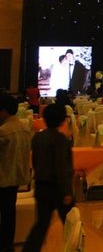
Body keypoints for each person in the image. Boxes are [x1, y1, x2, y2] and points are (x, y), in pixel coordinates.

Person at [23, 103, 74, 252]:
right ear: (62, 120)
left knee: (41, 225)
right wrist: (67, 191)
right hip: (57, 188)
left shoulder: (37, 138)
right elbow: (61, 167)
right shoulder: (61, 140)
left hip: (41, 186)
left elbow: (35, 162)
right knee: (71, 223)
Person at [0, 92, 32, 252]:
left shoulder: (4, 130)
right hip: (16, 177)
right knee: (9, 214)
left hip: (3, 178)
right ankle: (8, 245)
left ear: (4, 111)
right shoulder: (25, 127)